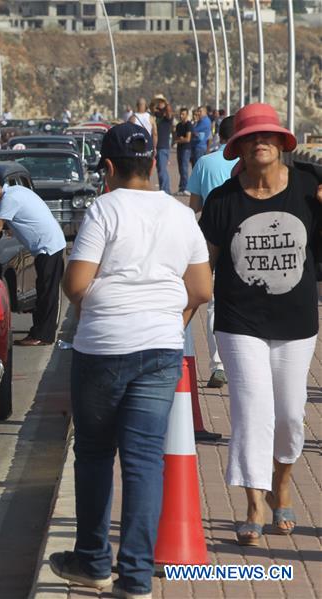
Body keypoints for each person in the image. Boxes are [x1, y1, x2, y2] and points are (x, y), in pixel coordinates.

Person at [50, 122, 212, 599]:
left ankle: (94, 561)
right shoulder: (180, 214)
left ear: (110, 166)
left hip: (103, 347)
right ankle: (137, 578)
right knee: (144, 462)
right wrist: (168, 317)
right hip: (161, 348)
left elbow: (76, 283)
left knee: (97, 454)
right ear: (153, 163)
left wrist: (100, 300)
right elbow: (201, 289)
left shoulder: (105, 208)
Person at [198, 103, 322, 546]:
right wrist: (180, 310)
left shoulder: (310, 189)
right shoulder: (223, 200)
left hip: (297, 322)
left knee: (289, 415)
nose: (260, 142)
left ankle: (282, 482)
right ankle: (253, 502)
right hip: (238, 323)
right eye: (250, 137)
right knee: (252, 413)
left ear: (283, 143)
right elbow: (204, 264)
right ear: (239, 148)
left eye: (268, 135)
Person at [0, 181, 66, 346]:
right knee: (46, 291)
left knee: (46, 293)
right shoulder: (16, 190)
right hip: (51, 243)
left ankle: (41, 335)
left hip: (47, 247)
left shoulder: (9, 199)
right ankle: (43, 332)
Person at [187, 115, 239, 388]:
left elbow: (194, 205)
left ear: (218, 135)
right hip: (247, 238)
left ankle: (218, 365)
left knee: (214, 302)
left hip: (211, 239)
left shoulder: (205, 163)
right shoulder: (249, 164)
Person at [152, 94, 174, 194]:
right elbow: (151, 108)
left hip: (163, 147)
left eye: (161, 103)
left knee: (162, 170)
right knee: (160, 170)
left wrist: (165, 102)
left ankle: (165, 191)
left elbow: (169, 110)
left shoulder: (168, 118)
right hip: (157, 146)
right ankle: (163, 189)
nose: (159, 104)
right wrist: (155, 101)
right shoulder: (157, 116)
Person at [174, 107, 192, 194]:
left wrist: (180, 139)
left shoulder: (189, 125)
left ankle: (186, 188)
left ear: (187, 115)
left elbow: (188, 139)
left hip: (186, 149)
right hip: (179, 149)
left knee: (184, 168)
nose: (181, 116)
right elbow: (175, 138)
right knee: (180, 169)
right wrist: (180, 139)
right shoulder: (178, 125)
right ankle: (181, 188)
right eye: (180, 114)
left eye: (183, 114)